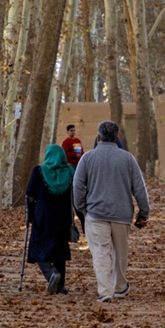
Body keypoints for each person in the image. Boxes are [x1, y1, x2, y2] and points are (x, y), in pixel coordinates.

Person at [73, 120, 150, 303]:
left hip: (96, 213)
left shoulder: (87, 158)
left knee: (100, 252)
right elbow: (139, 188)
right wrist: (143, 212)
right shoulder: (128, 158)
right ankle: (120, 287)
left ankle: (105, 291)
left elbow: (77, 186)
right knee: (120, 252)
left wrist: (82, 208)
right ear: (117, 138)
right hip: (122, 214)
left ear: (98, 137)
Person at [26, 145, 76, 295]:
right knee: (59, 249)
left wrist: (29, 216)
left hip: (43, 216)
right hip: (63, 217)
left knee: (36, 247)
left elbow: (30, 195)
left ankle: (51, 273)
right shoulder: (70, 172)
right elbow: (76, 196)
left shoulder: (39, 171)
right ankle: (60, 286)